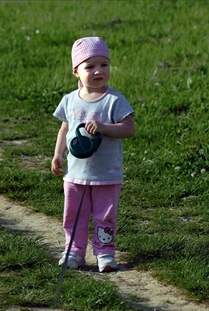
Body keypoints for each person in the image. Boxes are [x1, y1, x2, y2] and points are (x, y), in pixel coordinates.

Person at [51, 36, 135, 272]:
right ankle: (74, 251)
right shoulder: (69, 100)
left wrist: (104, 127)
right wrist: (58, 154)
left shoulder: (114, 100)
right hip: (75, 174)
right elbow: (65, 128)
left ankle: (105, 253)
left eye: (103, 64)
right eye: (90, 66)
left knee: (105, 215)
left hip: (106, 173)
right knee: (74, 215)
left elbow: (129, 129)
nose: (98, 71)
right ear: (76, 71)